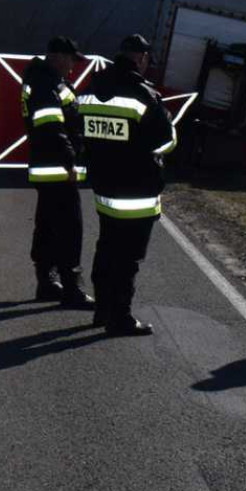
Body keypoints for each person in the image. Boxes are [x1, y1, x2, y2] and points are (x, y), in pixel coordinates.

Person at [78, 34, 178, 336]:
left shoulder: (91, 88)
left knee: (106, 247)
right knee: (128, 257)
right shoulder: (143, 94)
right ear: (142, 58)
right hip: (136, 190)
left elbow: (79, 128)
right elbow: (165, 140)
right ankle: (120, 318)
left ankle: (102, 309)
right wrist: (168, 120)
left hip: (104, 187)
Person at [21, 36, 94, 309]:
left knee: (48, 225)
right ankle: (71, 289)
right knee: (69, 229)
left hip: (47, 166)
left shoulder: (43, 79)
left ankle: (47, 282)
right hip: (58, 167)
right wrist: (70, 161)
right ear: (56, 56)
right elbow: (52, 127)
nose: (73, 66)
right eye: (71, 59)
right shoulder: (45, 83)